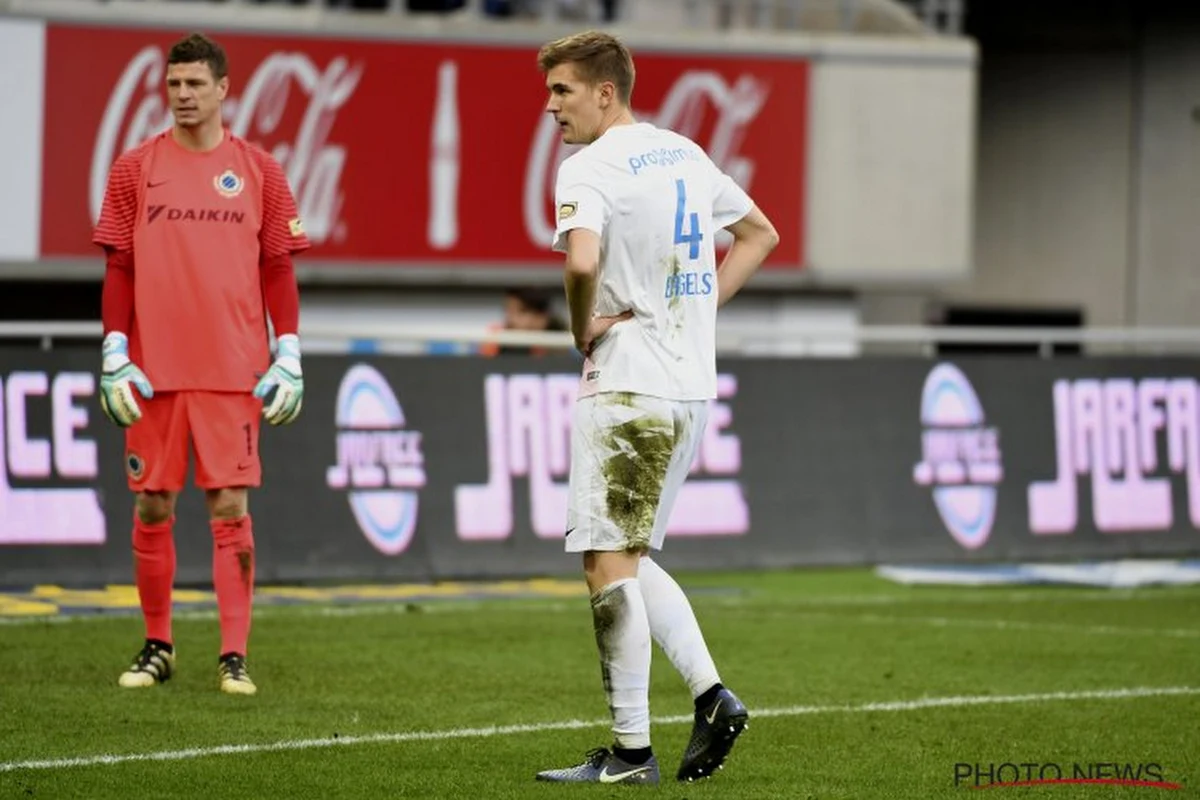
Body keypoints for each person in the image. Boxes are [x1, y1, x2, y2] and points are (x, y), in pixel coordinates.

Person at [532, 31, 779, 785]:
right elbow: (759, 234)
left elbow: (580, 261)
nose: (551, 108)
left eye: (563, 91)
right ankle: (711, 697)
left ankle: (632, 753)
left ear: (606, 92)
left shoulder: (589, 167)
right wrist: (702, 312)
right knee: (631, 558)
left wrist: (580, 329)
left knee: (606, 564)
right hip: (689, 390)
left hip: (629, 385)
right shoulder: (683, 153)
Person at [93, 32, 310, 696]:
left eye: (195, 84)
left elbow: (277, 268)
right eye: (174, 84)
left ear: (223, 89)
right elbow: (119, 267)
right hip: (153, 372)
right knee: (153, 504)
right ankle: (158, 643)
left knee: (229, 505)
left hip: (232, 370)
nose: (183, 96)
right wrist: (114, 348)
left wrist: (290, 349)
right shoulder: (135, 168)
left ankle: (233, 654)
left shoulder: (259, 171)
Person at [478, 286, 569, 356]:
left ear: (541, 318)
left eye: (521, 311)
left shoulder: (563, 349)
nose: (511, 319)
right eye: (508, 310)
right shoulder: (495, 341)